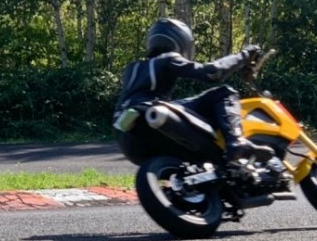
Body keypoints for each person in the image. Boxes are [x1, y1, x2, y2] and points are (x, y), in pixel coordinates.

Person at [113, 17, 274, 166]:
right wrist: (245, 55)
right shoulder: (168, 58)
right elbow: (212, 73)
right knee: (224, 93)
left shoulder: (131, 68)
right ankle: (237, 141)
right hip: (149, 114)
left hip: (126, 138)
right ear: (181, 41)